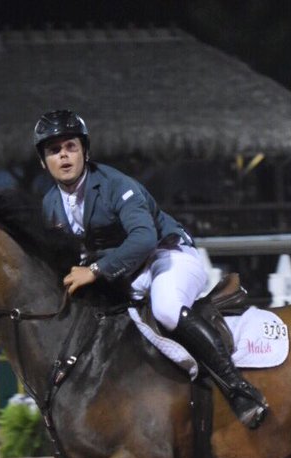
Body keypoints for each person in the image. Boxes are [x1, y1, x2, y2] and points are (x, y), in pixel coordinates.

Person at [34, 109, 267, 428]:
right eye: (53, 150)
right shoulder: (49, 205)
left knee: (167, 309)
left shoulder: (115, 184)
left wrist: (96, 270)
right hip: (125, 273)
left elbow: (144, 238)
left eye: (70, 146)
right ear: (43, 161)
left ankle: (239, 390)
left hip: (166, 255)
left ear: (85, 151)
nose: (63, 155)